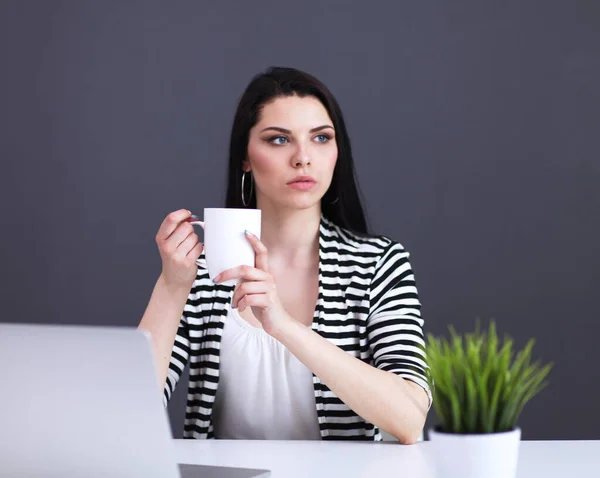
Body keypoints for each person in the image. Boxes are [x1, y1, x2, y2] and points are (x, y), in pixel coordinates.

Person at [138, 66, 431, 444]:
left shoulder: (378, 263)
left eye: (321, 138)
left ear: (337, 152)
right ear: (244, 156)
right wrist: (172, 286)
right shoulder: (205, 271)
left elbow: (409, 419)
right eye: (279, 140)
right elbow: (129, 415)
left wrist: (283, 326)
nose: (303, 157)